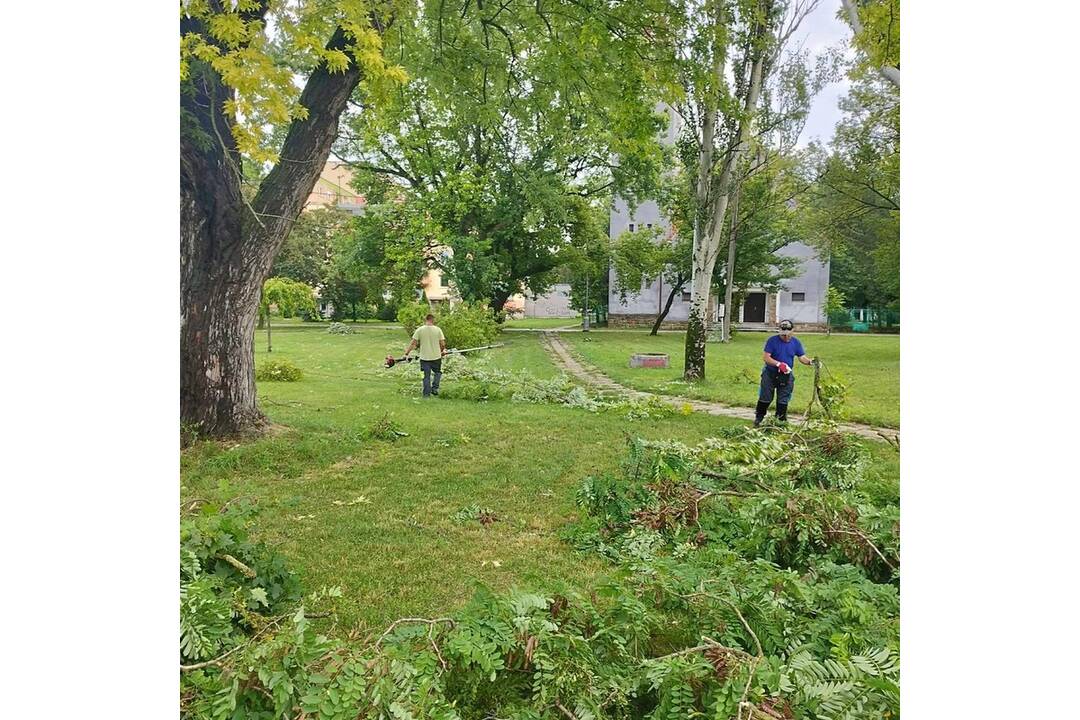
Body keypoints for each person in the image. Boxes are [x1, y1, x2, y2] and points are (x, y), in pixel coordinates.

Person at [754, 319, 814, 426]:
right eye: (783, 335)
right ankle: (759, 417)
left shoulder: (796, 342)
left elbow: (802, 357)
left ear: (792, 331)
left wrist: (810, 362)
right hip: (770, 373)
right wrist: (778, 364)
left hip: (786, 375)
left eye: (788, 335)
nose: (786, 337)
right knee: (766, 396)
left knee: (783, 398)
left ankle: (780, 420)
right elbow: (766, 358)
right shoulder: (772, 341)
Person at [404, 314, 447, 397]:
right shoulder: (438, 330)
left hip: (424, 358)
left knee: (425, 376)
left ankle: (426, 394)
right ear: (433, 320)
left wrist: (406, 353)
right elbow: (442, 343)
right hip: (436, 357)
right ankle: (435, 388)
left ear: (426, 320)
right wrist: (442, 351)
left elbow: (413, 343)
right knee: (438, 373)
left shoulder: (420, 330)